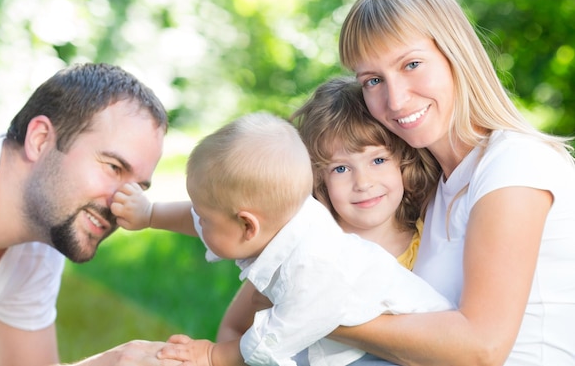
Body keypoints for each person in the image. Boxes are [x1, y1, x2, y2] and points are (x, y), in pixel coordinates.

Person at [332, 0, 575, 365]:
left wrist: (318, 316)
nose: (394, 99)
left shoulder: (515, 165)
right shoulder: (429, 186)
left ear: (455, 53)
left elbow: (482, 347)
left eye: (411, 64)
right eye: (373, 80)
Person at [112, 111, 452, 366]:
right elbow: (210, 217)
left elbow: (274, 339)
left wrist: (214, 356)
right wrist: (150, 214)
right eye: (341, 168)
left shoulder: (312, 266)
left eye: (203, 216)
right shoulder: (284, 217)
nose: (198, 221)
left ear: (248, 227)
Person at [0, 62, 174, 366]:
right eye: (113, 167)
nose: (123, 205)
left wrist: (113, 362)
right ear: (40, 139)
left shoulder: (42, 232)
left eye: (138, 189)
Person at [215, 76, 441, 345]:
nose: (364, 183)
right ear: (318, 177)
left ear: (403, 161)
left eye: (378, 160)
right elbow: (234, 327)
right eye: (341, 168)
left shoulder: (430, 237)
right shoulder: (306, 247)